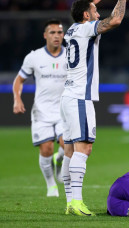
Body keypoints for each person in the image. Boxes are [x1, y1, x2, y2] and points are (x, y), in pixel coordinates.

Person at [61, 0, 127, 216]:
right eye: (96, 11)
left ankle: (71, 201)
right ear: (86, 16)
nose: (99, 14)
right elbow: (115, 20)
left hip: (68, 96)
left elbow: (83, 7)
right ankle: (78, 202)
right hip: (80, 97)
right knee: (84, 148)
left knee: (70, 151)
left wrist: (88, 2)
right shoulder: (84, 29)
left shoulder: (71, 30)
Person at [12, 19, 66, 197]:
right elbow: (19, 80)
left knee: (67, 146)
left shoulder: (70, 55)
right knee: (46, 149)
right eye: (52, 32)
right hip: (41, 111)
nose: (56, 36)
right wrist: (17, 99)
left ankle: (59, 161)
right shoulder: (34, 57)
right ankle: (51, 185)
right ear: (45, 35)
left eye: (59, 32)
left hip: (64, 111)